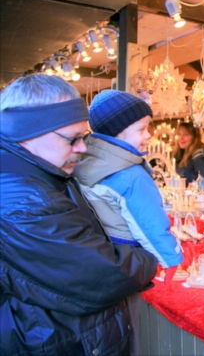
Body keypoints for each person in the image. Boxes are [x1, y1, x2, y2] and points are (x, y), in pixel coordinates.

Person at [0, 74, 157, 356]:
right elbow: (102, 275)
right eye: (73, 139)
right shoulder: (23, 198)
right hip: (52, 339)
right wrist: (150, 255)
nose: (82, 148)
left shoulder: (38, 175)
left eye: (83, 137)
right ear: (28, 132)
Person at [73, 90, 183, 355]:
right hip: (129, 254)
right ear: (116, 133)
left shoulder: (87, 160)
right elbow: (150, 223)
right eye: (141, 129)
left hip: (101, 250)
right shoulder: (130, 174)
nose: (149, 135)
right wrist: (170, 258)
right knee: (129, 322)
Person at [172, 121, 204, 192]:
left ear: (194, 137)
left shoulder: (200, 157)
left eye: (186, 135)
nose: (181, 138)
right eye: (179, 134)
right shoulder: (179, 154)